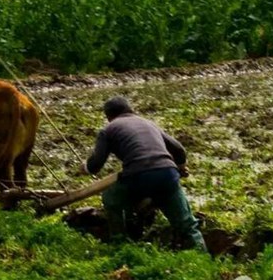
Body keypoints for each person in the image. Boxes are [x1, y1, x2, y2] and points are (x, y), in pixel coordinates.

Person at [82, 96, 207, 251]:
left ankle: (120, 243)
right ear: (130, 110)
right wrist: (180, 166)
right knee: (186, 222)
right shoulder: (149, 123)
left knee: (111, 198)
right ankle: (202, 254)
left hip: (138, 175)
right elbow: (179, 150)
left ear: (108, 116)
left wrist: (85, 168)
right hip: (167, 174)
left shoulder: (109, 129)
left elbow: (96, 165)